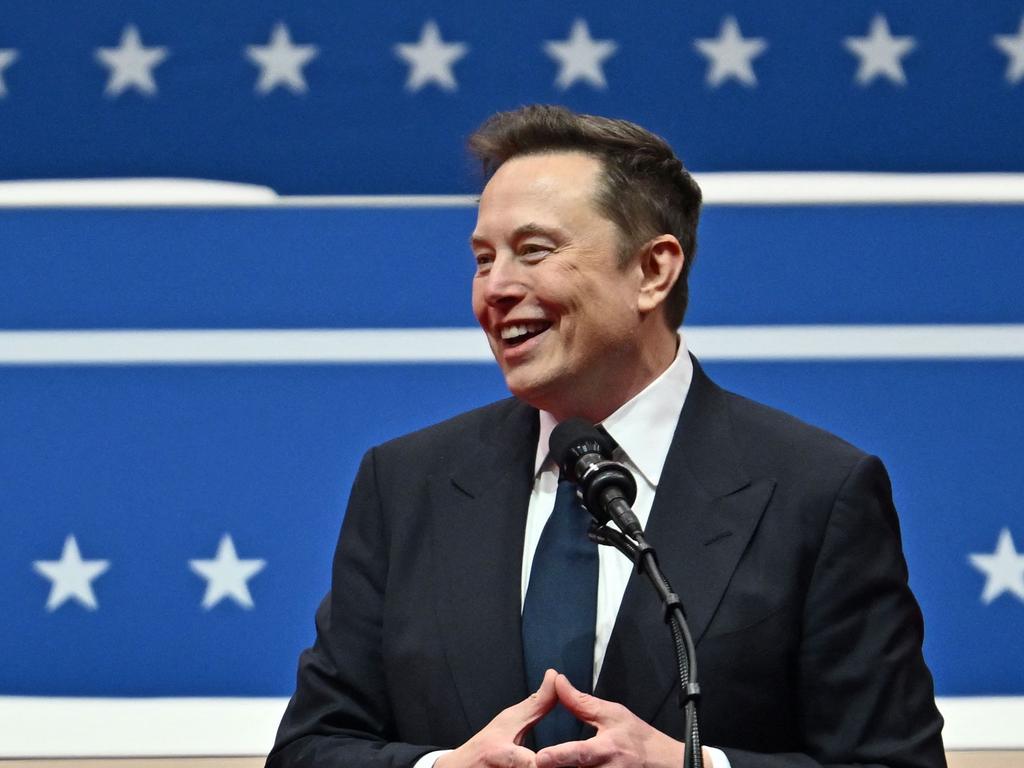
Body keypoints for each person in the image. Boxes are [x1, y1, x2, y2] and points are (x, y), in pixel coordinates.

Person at [266, 105, 946, 768]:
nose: (495, 288)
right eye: (482, 259)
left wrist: (695, 767)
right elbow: (310, 748)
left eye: (533, 251)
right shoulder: (406, 482)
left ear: (652, 270)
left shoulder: (816, 491)